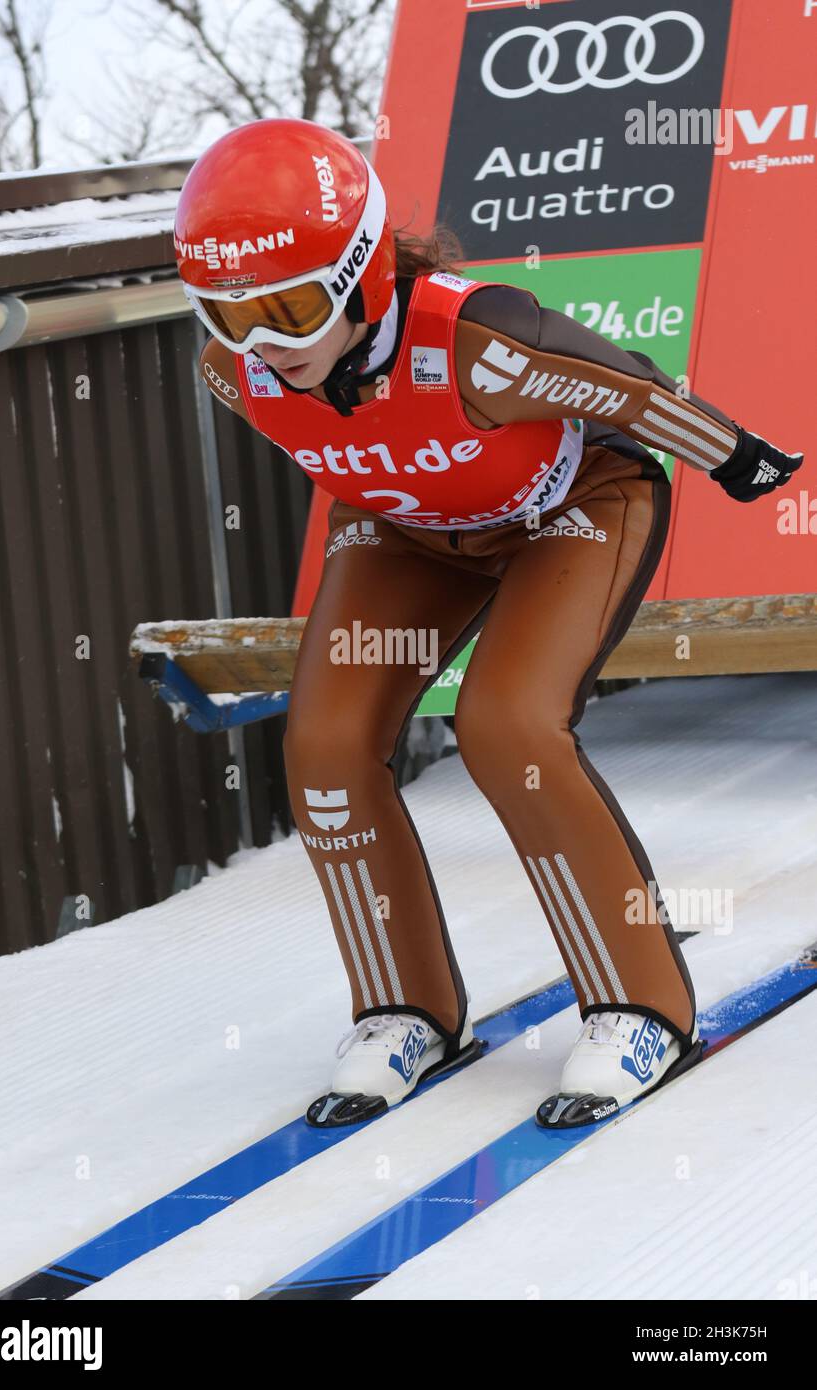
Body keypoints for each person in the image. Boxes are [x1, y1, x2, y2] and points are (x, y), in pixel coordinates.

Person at [174, 117, 804, 1130]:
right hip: (407, 527)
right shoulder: (230, 371)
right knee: (327, 745)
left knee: (506, 727)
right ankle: (401, 1008)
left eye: (289, 309)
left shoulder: (481, 343)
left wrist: (736, 456)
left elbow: (630, 389)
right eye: (224, 313)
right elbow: (342, 439)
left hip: (569, 505)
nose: (260, 346)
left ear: (364, 272)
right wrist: (394, 483)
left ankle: (634, 1003)